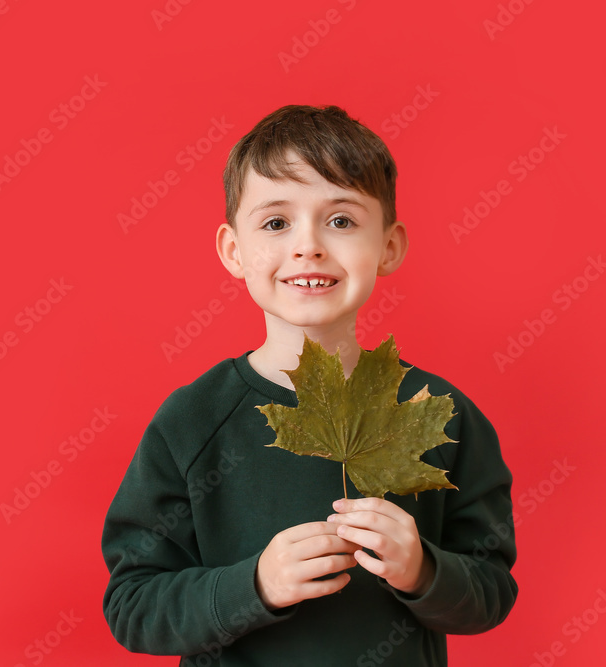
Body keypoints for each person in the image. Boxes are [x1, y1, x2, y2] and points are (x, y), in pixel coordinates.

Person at [101, 104, 517, 666]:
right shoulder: (192, 420)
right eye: (277, 222)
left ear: (389, 246)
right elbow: (133, 607)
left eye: (341, 220)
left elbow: (491, 593)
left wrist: (423, 570)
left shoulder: (438, 411)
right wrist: (255, 586)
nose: (309, 246)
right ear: (234, 251)